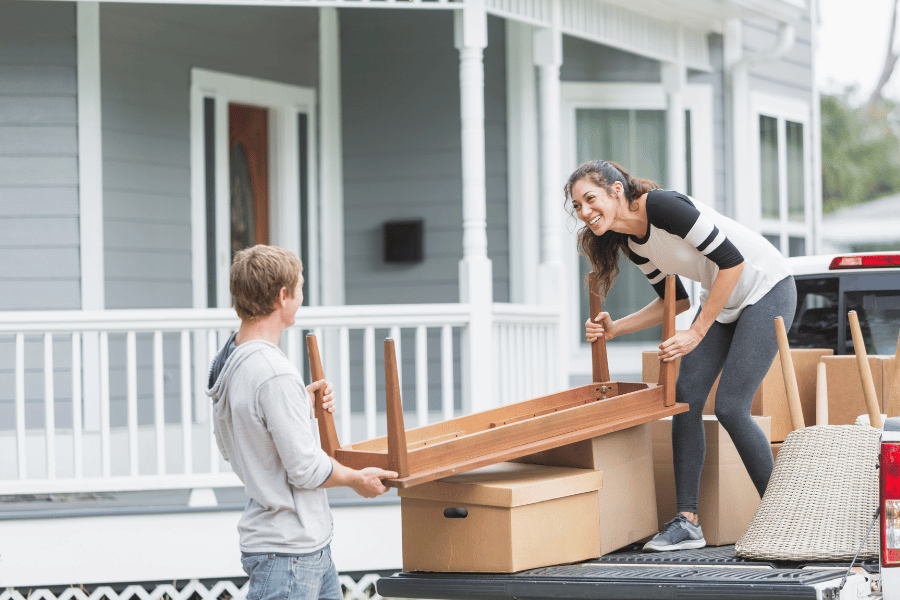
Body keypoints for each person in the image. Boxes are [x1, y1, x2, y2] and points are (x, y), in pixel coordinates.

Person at [565, 160, 796, 552]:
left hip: (767, 288)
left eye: (590, 199)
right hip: (723, 304)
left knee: (731, 407)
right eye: (578, 207)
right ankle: (687, 522)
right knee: (684, 396)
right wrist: (615, 328)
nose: (585, 213)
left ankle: (785, 519)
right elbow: (677, 301)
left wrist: (697, 330)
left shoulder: (664, 207)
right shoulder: (635, 244)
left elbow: (732, 261)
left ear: (616, 190)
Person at [206, 244, 397, 600]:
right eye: (301, 288)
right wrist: (357, 479)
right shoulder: (273, 372)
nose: (302, 297)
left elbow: (242, 440)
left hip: (300, 547)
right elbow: (306, 470)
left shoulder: (232, 361)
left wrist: (298, 406)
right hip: (289, 553)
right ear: (283, 296)